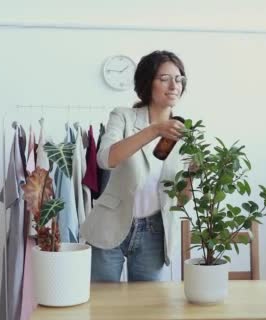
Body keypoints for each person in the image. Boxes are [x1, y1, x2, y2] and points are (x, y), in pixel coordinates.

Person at [80, 50, 190, 282]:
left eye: (179, 79)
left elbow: (180, 199)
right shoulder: (123, 117)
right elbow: (106, 159)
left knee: (148, 308)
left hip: (155, 231)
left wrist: (193, 175)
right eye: (165, 79)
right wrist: (155, 130)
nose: (174, 85)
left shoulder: (184, 134)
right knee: (104, 306)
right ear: (147, 82)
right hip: (111, 223)